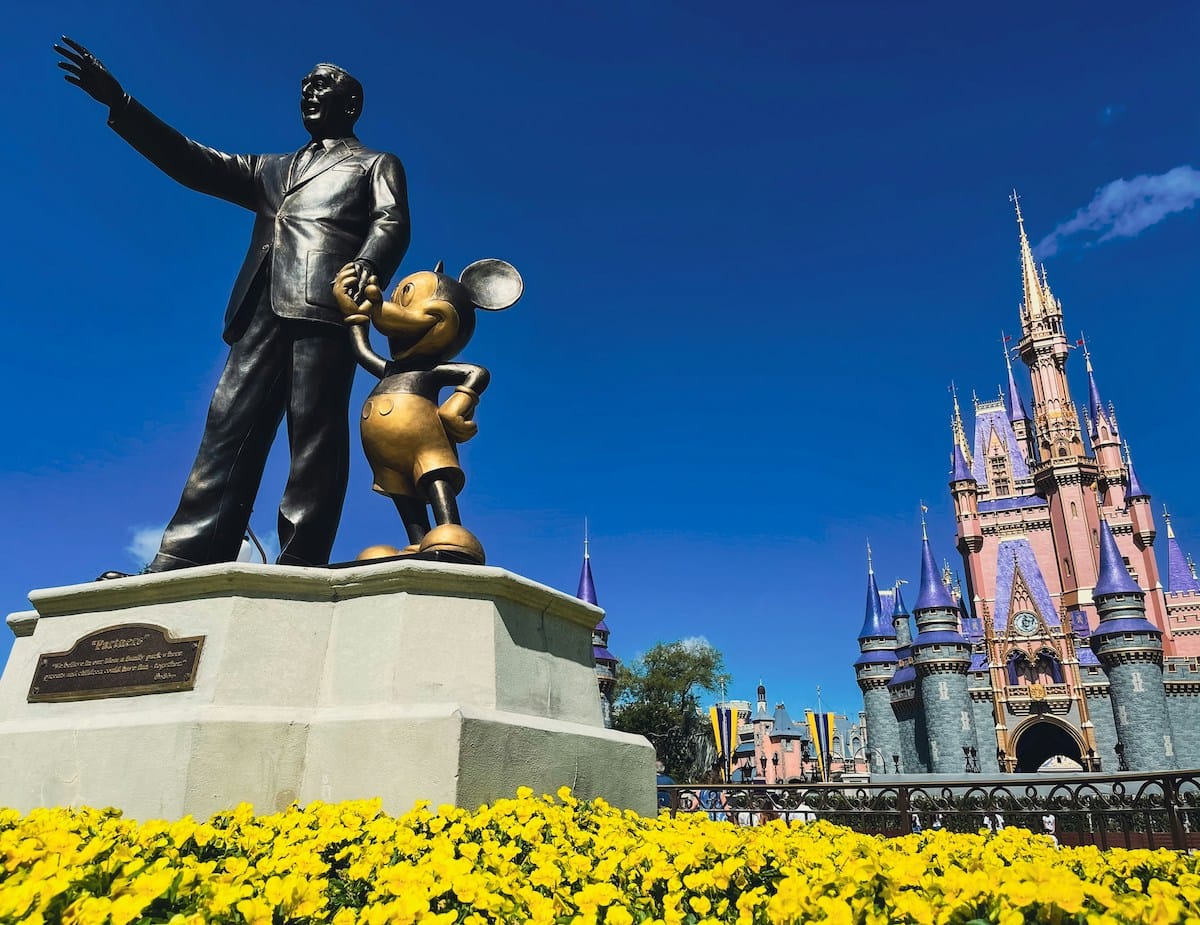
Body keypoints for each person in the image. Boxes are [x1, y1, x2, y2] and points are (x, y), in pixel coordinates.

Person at [54, 38, 411, 570]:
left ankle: (300, 560)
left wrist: (366, 264)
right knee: (227, 429)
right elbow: (193, 162)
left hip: (324, 304)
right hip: (257, 308)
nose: (309, 92)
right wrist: (121, 104)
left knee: (313, 435)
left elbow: (391, 221)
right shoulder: (270, 167)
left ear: (351, 104)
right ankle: (185, 558)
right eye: (305, 85)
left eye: (321, 85)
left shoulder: (374, 163)